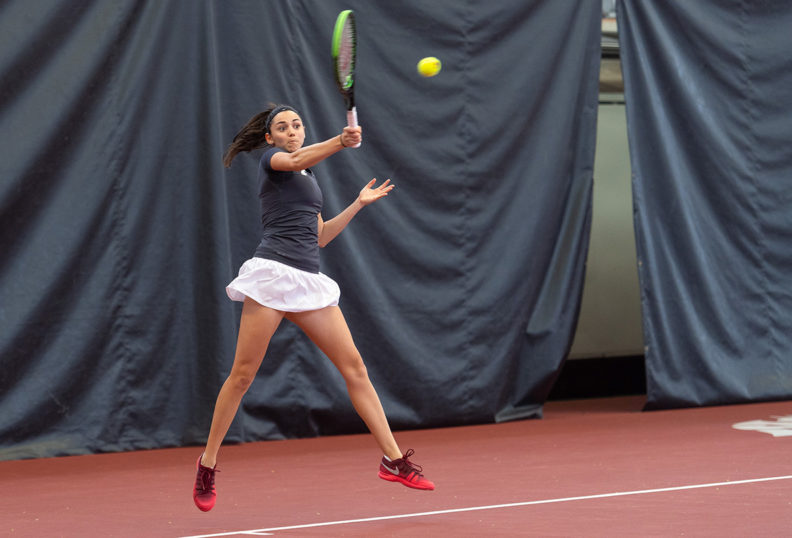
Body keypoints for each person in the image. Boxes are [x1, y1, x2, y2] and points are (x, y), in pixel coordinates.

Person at [193, 104, 435, 512]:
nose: (291, 131)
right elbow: (297, 159)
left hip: (308, 282)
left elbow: (320, 236)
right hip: (272, 276)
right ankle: (207, 463)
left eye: (297, 125)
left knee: (355, 368)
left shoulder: (309, 177)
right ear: (270, 138)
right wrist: (341, 140)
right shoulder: (275, 161)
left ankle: (393, 460)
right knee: (242, 375)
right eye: (282, 127)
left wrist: (358, 204)